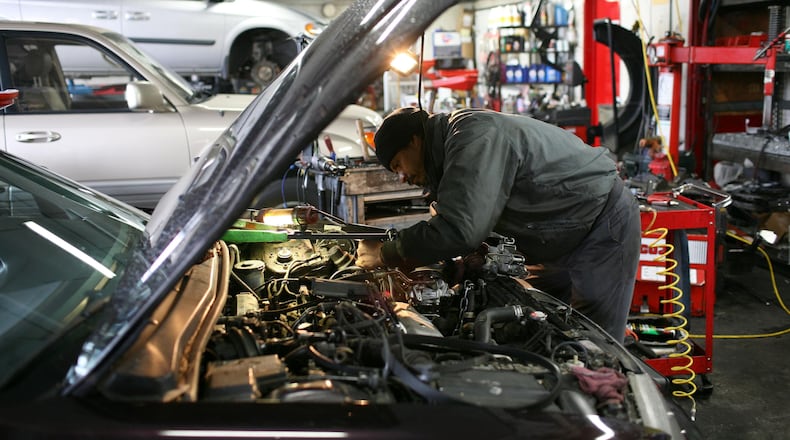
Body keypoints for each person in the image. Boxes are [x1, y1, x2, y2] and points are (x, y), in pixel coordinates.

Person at [356, 107, 641, 342]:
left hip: (601, 225)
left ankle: (602, 408)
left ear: (414, 141)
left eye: (397, 165)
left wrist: (386, 252)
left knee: (593, 344)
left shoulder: (473, 137)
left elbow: (459, 229)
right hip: (555, 239)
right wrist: (465, 260)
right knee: (535, 323)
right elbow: (479, 213)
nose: (401, 177)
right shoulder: (449, 157)